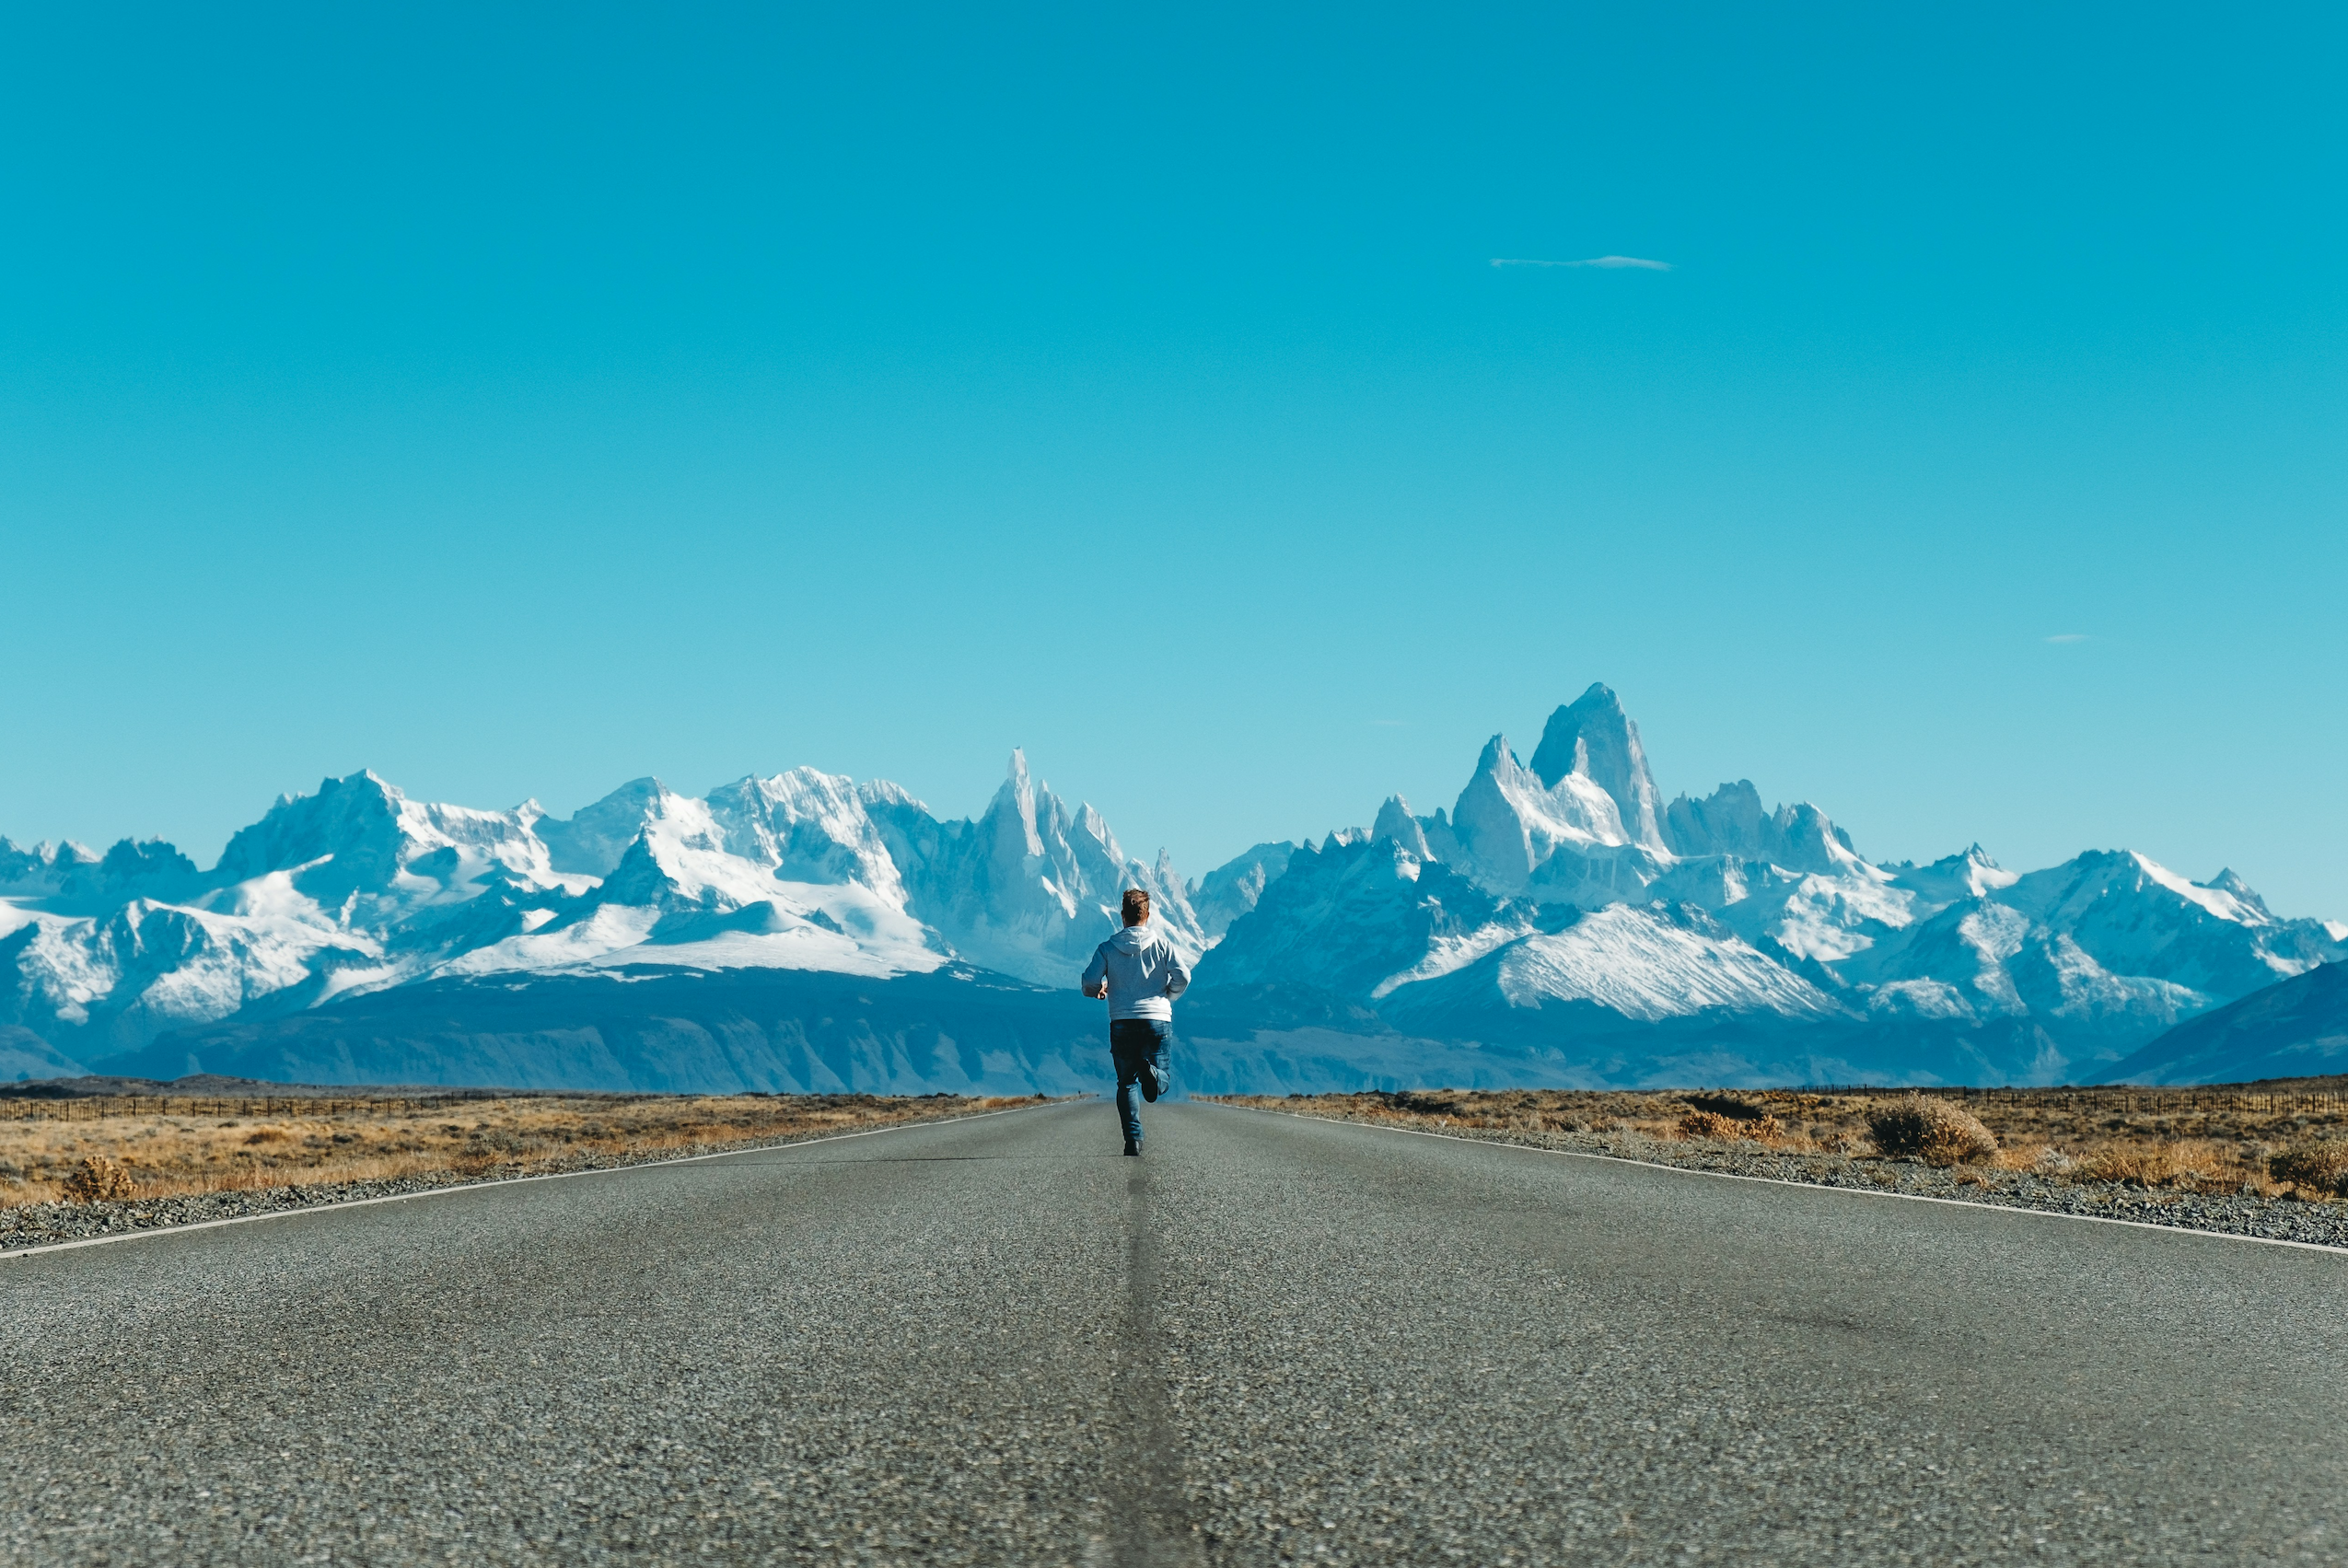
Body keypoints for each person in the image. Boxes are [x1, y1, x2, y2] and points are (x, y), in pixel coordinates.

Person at [1079, 888, 1190, 1156]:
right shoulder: (1163, 946)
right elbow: (1183, 976)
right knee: (1162, 1078)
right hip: (1157, 1019)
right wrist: (1168, 996)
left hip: (1122, 1020)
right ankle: (1153, 1075)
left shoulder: (1107, 949)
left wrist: (1099, 990)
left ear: (1122, 916)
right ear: (1147, 915)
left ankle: (1134, 1140)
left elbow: (1088, 982)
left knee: (1126, 1082)